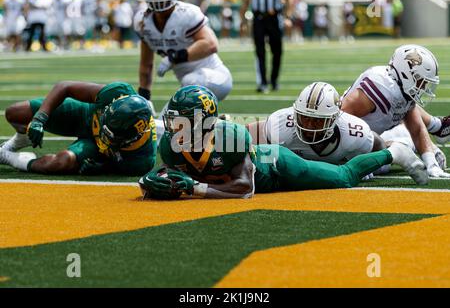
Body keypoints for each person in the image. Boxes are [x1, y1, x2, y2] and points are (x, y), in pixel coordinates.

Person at [138, 85, 428, 200]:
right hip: (253, 172)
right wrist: (150, 181)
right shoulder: (171, 144)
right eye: (174, 122)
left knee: (344, 178)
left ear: (204, 123)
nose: (176, 129)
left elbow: (244, 190)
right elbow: (164, 174)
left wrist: (195, 188)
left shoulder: (230, 138)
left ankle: (395, 152)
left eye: (182, 123)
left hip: (274, 166)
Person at [0, 81, 157, 176]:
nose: (104, 132)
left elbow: (116, 166)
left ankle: (8, 158)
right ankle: (17, 142)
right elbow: (65, 86)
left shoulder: (141, 160)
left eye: (110, 134)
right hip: (84, 115)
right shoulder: (118, 93)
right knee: (15, 113)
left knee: (61, 162)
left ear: (131, 139)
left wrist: (103, 168)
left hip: (96, 148)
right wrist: (39, 118)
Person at [342, 44, 450, 178]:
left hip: (372, 138)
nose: (423, 87)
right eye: (421, 80)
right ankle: (432, 131)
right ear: (407, 74)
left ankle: (434, 131)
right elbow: (340, 117)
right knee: (383, 165)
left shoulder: (402, 88)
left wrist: (431, 164)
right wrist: (354, 157)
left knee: (401, 135)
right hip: (349, 142)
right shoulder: (381, 86)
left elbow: (416, 129)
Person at [134, 0, 232, 104]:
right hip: (189, 88)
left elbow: (210, 44)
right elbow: (146, 65)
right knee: (165, 119)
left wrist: (174, 57)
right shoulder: (143, 21)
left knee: (188, 83)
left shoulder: (186, 13)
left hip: (216, 78)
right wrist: (145, 98)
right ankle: (218, 121)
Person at [246, 82, 383, 164]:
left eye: (317, 121)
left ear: (334, 119)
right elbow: (249, 135)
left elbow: (379, 145)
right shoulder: (281, 124)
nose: (309, 127)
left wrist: (371, 163)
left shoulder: (354, 132)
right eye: (305, 118)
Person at [240, 0, 291, 93]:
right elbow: (246, 0)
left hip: (274, 18)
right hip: (258, 19)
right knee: (260, 52)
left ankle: (274, 80)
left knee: (277, 51)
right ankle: (263, 82)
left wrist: (287, 17)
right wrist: (243, 20)